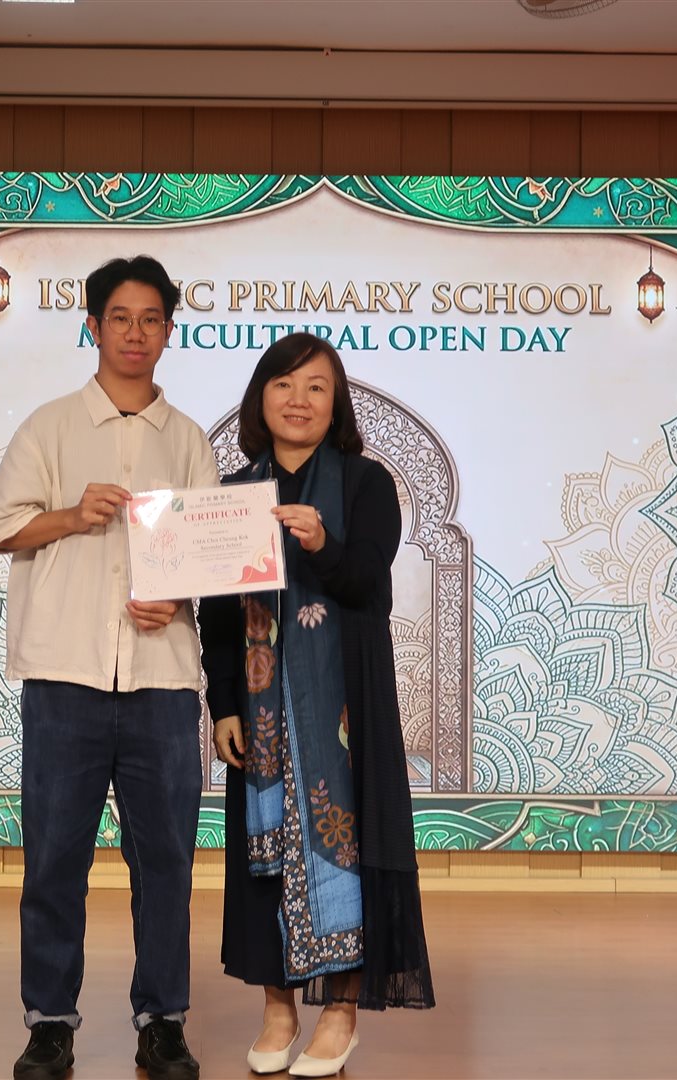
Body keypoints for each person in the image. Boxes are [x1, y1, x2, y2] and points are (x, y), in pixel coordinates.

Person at [0, 255, 215, 1080]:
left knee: (165, 862)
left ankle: (163, 1020)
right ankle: (49, 1022)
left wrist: (176, 599)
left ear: (168, 331)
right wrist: (73, 515)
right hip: (64, 677)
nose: (135, 333)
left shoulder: (187, 440)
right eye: (120, 317)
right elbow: (0, 530)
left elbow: (213, 559)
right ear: (93, 326)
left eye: (150, 319)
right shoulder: (49, 427)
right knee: (54, 859)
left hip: (160, 681)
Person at [198, 332, 436, 1078]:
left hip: (345, 711)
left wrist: (322, 544)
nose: (297, 400)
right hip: (260, 713)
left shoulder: (366, 484)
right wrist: (224, 704)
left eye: (315, 387)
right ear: (260, 398)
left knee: (349, 844)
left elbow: (367, 582)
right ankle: (278, 1008)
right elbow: (218, 615)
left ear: (336, 406)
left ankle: (339, 1012)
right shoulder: (235, 493)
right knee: (261, 852)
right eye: (283, 384)